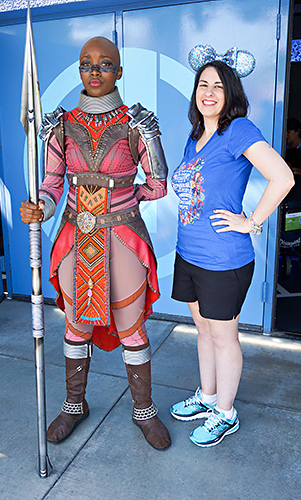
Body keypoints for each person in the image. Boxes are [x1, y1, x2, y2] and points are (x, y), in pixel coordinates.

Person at [20, 36, 171, 450]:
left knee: (131, 327)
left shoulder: (138, 122)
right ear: (79, 70)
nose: (95, 70)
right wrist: (42, 208)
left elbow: (158, 183)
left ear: (119, 71)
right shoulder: (60, 124)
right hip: (75, 237)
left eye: (105, 64)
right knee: (77, 326)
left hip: (122, 237)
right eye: (87, 63)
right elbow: (52, 183)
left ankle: (144, 410)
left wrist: (130, 197)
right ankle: (74, 404)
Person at [169, 52, 294, 448]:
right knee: (203, 331)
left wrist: (251, 221)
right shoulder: (196, 135)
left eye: (218, 86)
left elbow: (283, 176)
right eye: (203, 85)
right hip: (188, 253)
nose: (209, 92)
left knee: (225, 337)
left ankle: (226, 413)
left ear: (231, 93)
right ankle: (207, 397)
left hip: (224, 259)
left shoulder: (238, 129)